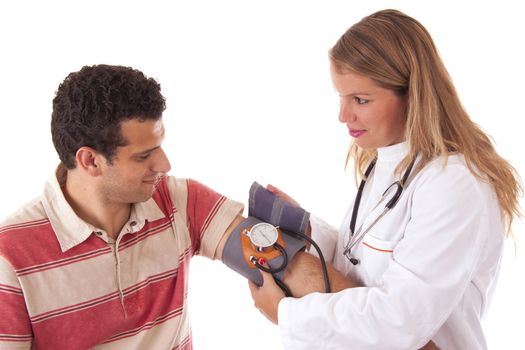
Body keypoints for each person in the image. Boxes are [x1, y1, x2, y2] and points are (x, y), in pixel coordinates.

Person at [0, 64, 354, 349]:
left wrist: (390, 328)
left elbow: (284, 264)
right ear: (90, 161)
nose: (164, 164)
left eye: (159, 146)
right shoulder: (10, 258)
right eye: (144, 156)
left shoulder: (178, 202)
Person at [248, 9, 523, 350]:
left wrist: (287, 314)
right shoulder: (387, 162)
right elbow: (363, 261)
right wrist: (307, 230)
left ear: (413, 96)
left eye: (360, 100)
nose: (343, 116)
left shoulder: (456, 184)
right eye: (341, 97)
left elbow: (400, 320)